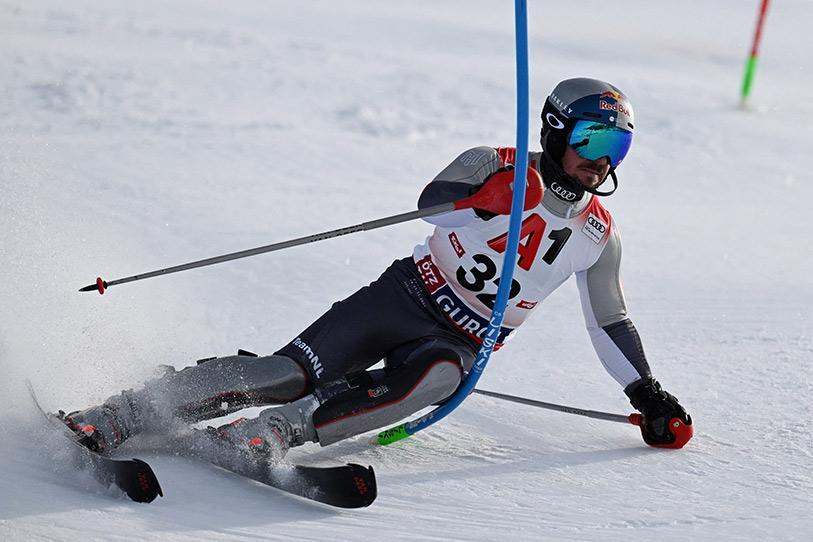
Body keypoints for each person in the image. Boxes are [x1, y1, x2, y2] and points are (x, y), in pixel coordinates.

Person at [61, 78, 692, 463]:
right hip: (406, 296)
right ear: (556, 132)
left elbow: (610, 319)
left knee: (440, 376)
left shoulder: (597, 235)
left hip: (462, 340)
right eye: (593, 142)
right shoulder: (497, 164)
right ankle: (124, 411)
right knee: (287, 372)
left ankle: (271, 435)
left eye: (617, 149)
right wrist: (487, 197)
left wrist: (648, 394)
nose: (600, 162)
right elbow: (431, 203)